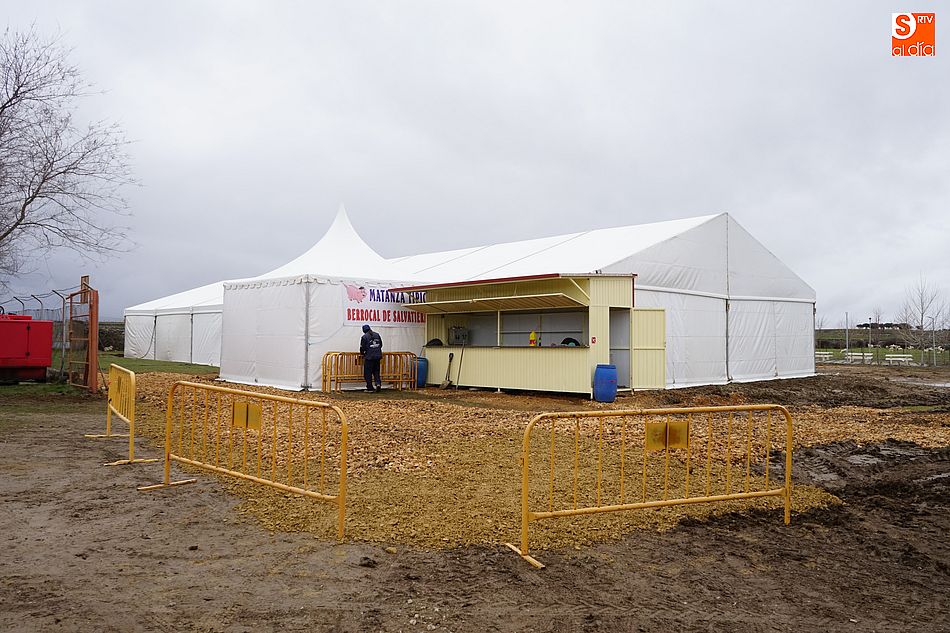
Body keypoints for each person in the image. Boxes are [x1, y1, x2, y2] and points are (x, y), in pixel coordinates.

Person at [359, 324, 383, 392]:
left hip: (369, 357)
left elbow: (362, 347)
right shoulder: (377, 335)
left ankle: (370, 387)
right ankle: (378, 383)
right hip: (378, 356)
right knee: (376, 372)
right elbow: (381, 345)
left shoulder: (364, 337)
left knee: (367, 373)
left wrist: (362, 354)